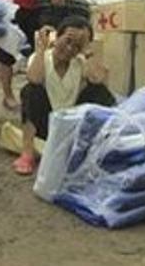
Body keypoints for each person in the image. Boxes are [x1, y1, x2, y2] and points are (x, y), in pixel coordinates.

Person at [11, 16, 113, 176]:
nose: (70, 48)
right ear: (57, 37)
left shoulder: (80, 62)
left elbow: (98, 79)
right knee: (30, 91)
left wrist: (86, 50)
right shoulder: (42, 58)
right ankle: (27, 153)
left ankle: (95, 149)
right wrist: (41, 48)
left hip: (71, 125)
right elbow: (34, 78)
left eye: (77, 45)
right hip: (45, 124)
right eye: (67, 41)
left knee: (100, 92)